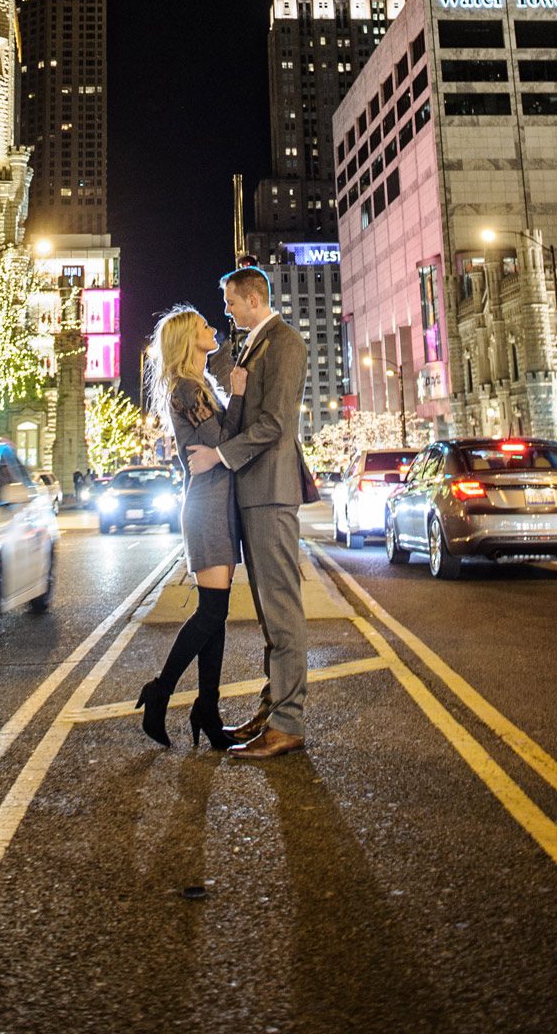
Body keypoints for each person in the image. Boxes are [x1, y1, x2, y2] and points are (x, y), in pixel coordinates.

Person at [187, 264, 308, 760]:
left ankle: (288, 722)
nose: (227, 312)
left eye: (231, 303)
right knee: (268, 612)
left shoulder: (284, 343)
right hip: (253, 494)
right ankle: (272, 709)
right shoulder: (253, 345)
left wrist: (220, 455)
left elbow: (276, 423)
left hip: (272, 493)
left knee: (282, 609)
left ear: (253, 299)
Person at [135, 304, 247, 751]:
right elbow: (223, 442)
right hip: (207, 505)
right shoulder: (186, 387)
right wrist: (237, 394)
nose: (212, 328)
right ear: (188, 340)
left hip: (217, 502)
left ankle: (208, 709)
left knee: (214, 615)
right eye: (203, 326)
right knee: (212, 612)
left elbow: (220, 443)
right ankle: (161, 692)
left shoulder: (196, 385)